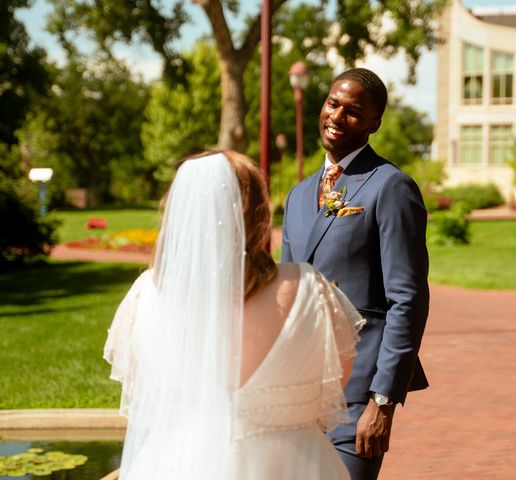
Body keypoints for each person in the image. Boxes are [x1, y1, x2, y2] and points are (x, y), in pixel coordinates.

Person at [104, 150, 365, 479]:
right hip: (295, 464)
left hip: (176, 463)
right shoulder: (309, 287)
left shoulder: (144, 297)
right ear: (258, 213)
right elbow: (340, 375)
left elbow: (141, 386)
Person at [281, 68, 430, 479]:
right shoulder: (297, 196)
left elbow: (408, 299)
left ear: (373, 123)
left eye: (352, 111)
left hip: (357, 395)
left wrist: (382, 402)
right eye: (333, 104)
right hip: (300, 395)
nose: (337, 116)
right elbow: (287, 295)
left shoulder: (390, 186)